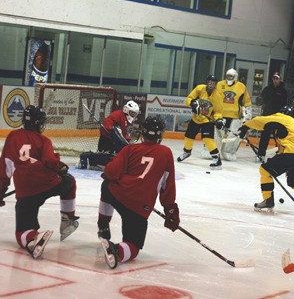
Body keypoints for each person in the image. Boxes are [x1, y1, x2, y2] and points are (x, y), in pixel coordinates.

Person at [96, 115, 180, 269]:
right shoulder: (166, 153)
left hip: (118, 194)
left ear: (142, 132)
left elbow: (112, 173)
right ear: (161, 134)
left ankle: (103, 224)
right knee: (133, 246)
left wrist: (109, 168)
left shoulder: (130, 149)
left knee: (106, 185)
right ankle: (117, 250)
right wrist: (170, 210)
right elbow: (167, 185)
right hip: (139, 207)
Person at [0, 105, 79, 259]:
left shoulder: (12, 137)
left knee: (22, 231)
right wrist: (60, 167)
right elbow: (50, 161)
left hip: (25, 191)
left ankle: (32, 239)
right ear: (40, 123)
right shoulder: (44, 140)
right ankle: (67, 220)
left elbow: (5, 167)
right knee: (69, 182)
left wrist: (1, 190)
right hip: (48, 183)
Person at [237, 106, 294, 212]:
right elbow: (287, 145)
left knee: (265, 170)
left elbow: (261, 121)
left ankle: (268, 200)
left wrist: (246, 126)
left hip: (292, 153)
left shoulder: (282, 118)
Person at [177, 75, 224, 169]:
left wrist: (219, 119)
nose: (211, 85)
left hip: (207, 120)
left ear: (215, 85)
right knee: (188, 136)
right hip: (196, 118)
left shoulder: (217, 96)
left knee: (207, 138)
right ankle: (187, 152)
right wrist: (193, 103)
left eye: (213, 83)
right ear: (207, 82)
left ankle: (216, 158)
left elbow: (218, 111)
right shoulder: (200, 88)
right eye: (210, 82)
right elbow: (189, 98)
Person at [214, 68, 252, 161]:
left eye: (231, 76)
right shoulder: (219, 84)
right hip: (221, 114)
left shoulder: (241, 87)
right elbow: (214, 98)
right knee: (217, 134)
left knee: (233, 135)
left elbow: (246, 102)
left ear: (235, 77)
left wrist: (247, 117)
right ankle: (212, 150)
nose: (229, 78)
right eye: (228, 76)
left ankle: (228, 151)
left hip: (236, 116)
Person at [257, 72, 289, 161]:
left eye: (277, 78)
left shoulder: (283, 91)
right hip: (267, 116)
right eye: (274, 78)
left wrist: (283, 111)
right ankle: (261, 154)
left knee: (278, 137)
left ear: (280, 79)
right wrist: (259, 100)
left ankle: (280, 154)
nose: (275, 80)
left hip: (278, 117)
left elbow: (285, 104)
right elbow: (261, 99)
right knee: (264, 136)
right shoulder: (267, 89)